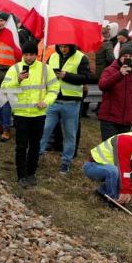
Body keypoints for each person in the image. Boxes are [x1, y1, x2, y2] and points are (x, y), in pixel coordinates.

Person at [3, 40, 58, 187]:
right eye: (26, 54)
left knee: (35, 146)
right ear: (23, 54)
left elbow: (54, 89)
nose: (29, 58)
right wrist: (17, 80)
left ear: (37, 54)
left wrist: (46, 101)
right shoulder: (15, 69)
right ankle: (21, 175)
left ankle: (31, 173)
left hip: (38, 114)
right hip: (21, 114)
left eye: (32, 54)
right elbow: (5, 88)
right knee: (21, 146)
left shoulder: (46, 69)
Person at [38, 42, 91, 174]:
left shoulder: (81, 57)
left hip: (71, 103)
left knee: (70, 135)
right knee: (44, 130)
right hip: (53, 100)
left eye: (66, 46)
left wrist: (66, 76)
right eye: (61, 46)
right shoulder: (53, 56)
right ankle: (37, 155)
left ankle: (66, 162)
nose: (63, 49)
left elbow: (86, 78)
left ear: (72, 46)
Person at [84, 132, 132, 205]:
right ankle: (113, 199)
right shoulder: (126, 141)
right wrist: (124, 191)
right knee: (114, 171)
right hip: (93, 166)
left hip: (110, 168)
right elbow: (124, 169)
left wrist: (128, 192)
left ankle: (102, 191)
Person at [97, 48, 132, 141]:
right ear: (119, 57)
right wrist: (119, 74)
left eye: (130, 57)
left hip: (126, 121)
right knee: (109, 148)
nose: (128, 58)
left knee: (120, 150)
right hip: (109, 119)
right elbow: (102, 85)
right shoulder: (109, 70)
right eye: (125, 56)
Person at [0, 11, 18, 141]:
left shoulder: (14, 36)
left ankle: (6, 129)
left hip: (8, 74)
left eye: (2, 20)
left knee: (5, 103)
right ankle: (1, 125)